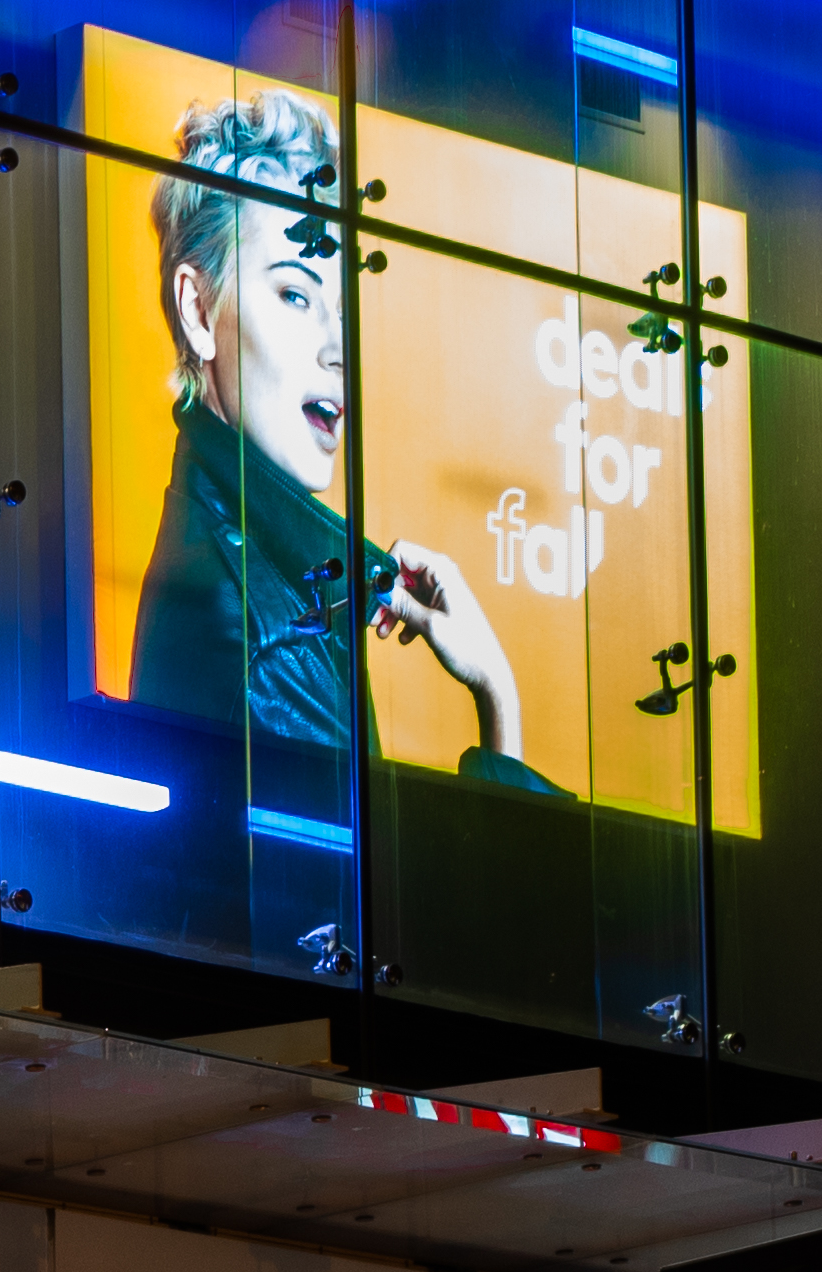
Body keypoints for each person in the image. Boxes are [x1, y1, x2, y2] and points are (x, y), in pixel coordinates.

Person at [120, 86, 548, 802]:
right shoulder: (269, 642)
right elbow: (396, 913)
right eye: (294, 294)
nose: (338, 348)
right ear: (199, 310)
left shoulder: (262, 587)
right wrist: (500, 700)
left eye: (342, 309)